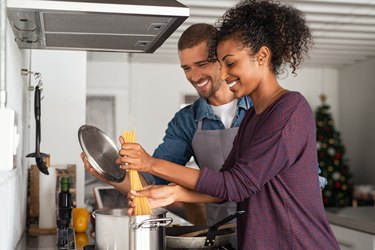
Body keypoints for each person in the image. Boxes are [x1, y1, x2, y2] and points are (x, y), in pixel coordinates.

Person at [122, 0, 339, 249]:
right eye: (222, 65)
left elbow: (237, 185)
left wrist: (150, 163)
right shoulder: (252, 119)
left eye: (231, 63)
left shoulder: (290, 109)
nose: (224, 75)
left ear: (262, 56)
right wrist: (175, 193)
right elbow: (224, 183)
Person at [81, 23, 252, 228]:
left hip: (267, 231)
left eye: (202, 64)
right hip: (221, 231)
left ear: (221, 61)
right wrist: (108, 175)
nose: (194, 76)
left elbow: (241, 183)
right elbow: (149, 184)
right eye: (186, 68)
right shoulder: (187, 121)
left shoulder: (258, 109)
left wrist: (151, 165)